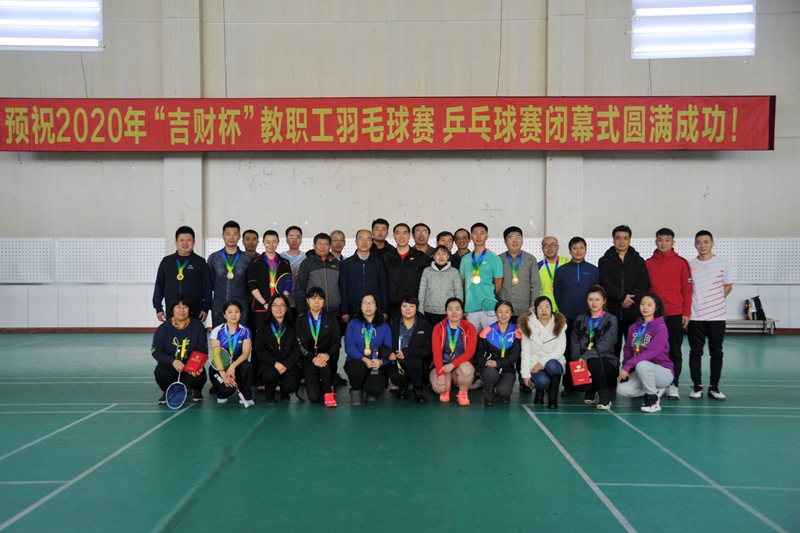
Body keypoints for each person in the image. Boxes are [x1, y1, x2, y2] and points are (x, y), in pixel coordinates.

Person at [646, 228, 693, 400]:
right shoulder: (648, 263)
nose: (663, 243)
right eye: (660, 240)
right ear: (656, 242)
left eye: (667, 240)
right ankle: (659, 384)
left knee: (674, 351)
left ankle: (673, 384)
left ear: (673, 242)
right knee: (654, 351)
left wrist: (686, 312)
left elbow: (687, 289)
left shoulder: (681, 262)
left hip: (675, 314)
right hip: (654, 316)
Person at [688, 230, 733, 400]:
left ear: (712, 243)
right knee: (695, 352)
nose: (702, 245)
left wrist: (715, 302)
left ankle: (714, 387)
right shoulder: (690, 265)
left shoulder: (723, 263)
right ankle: (697, 386)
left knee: (716, 352)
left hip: (717, 317)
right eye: (699, 242)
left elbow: (728, 286)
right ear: (695, 245)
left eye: (706, 242)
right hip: (695, 316)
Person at [553, 236, 599, 395]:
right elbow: (557, 293)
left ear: (586, 250)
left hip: (588, 318)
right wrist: (565, 309)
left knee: (587, 349)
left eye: (581, 248)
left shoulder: (593, 270)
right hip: (567, 318)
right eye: (575, 248)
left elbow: (597, 293)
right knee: (569, 351)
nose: (578, 251)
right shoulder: (562, 270)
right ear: (570, 251)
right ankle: (570, 385)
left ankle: (587, 385)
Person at [617, 292, 674, 413]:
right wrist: (625, 369)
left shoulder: (660, 327)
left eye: (649, 305)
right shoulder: (633, 327)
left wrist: (629, 365)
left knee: (642, 363)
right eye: (642, 304)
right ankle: (652, 390)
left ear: (656, 307)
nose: (645, 307)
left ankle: (653, 400)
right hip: (641, 371)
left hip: (663, 372)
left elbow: (651, 352)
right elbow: (627, 350)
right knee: (622, 389)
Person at [598, 225, 650, 358]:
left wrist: (629, 299)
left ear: (630, 240)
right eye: (618, 238)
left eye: (625, 238)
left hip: (633, 314)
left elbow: (643, 283)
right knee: (611, 350)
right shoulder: (604, 261)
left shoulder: (639, 261)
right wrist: (621, 297)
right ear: (613, 240)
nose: (621, 241)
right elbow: (605, 282)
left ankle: (630, 372)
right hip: (612, 313)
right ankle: (612, 372)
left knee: (634, 350)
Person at [151, 294, 208, 404]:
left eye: (185, 307)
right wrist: (172, 361)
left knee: (198, 377)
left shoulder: (198, 326)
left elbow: (202, 350)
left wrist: (195, 366)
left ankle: (196, 390)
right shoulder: (163, 328)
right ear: (172, 309)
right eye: (178, 307)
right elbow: (156, 351)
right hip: (171, 365)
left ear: (189, 309)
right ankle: (168, 390)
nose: (181, 310)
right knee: (162, 373)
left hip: (190, 364)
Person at [570, 285, 619, 410]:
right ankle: (591, 389)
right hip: (583, 360)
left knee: (593, 362)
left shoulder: (611, 319)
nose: (594, 303)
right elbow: (574, 342)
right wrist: (577, 362)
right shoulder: (580, 319)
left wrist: (586, 356)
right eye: (591, 299)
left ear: (604, 301)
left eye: (597, 299)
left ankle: (604, 396)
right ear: (587, 301)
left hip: (606, 360)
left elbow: (607, 344)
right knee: (577, 386)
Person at [153, 226, 211, 323]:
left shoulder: (200, 262)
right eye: (182, 240)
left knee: (194, 333)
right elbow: (159, 285)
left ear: (194, 242)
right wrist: (158, 307)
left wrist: (206, 308)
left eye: (188, 240)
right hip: (172, 311)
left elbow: (207, 286)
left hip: (195, 312)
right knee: (173, 333)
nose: (185, 243)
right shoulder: (167, 262)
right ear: (176, 242)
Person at [295, 287, 341, 407]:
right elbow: (301, 344)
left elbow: (337, 342)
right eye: (313, 298)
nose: (316, 302)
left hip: (327, 358)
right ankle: (321, 385)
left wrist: (327, 355)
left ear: (323, 301)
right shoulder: (301, 320)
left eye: (320, 299)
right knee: (314, 398)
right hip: (309, 358)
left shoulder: (330, 318)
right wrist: (312, 358)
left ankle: (328, 391)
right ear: (307, 300)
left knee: (324, 364)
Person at [344, 293, 393, 405]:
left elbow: (388, 350)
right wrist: (365, 359)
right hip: (357, 363)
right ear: (360, 307)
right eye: (365, 303)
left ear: (376, 307)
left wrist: (381, 362)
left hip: (376, 365)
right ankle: (356, 389)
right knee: (357, 366)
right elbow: (349, 347)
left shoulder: (384, 326)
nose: (368, 306)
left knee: (375, 389)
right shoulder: (353, 324)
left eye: (371, 303)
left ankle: (368, 387)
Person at [253, 294, 302, 404]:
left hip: (288, 363)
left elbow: (297, 349)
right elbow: (260, 350)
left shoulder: (294, 326)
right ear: (270, 308)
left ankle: (285, 393)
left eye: (282, 305)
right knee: (269, 376)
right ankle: (269, 395)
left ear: (287, 308)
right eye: (275, 305)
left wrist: (286, 365)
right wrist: (275, 363)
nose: (278, 308)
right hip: (269, 364)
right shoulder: (263, 326)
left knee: (290, 385)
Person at [518, 296, 566, 408]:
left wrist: (541, 363)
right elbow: (526, 352)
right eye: (540, 307)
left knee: (552, 365)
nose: (544, 310)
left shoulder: (559, 324)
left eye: (547, 307)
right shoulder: (527, 325)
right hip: (534, 363)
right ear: (535, 309)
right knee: (542, 381)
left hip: (553, 361)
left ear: (551, 309)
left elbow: (560, 350)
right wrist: (525, 375)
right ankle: (539, 394)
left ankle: (553, 399)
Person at [430, 298, 478, 405]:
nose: (454, 312)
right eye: (450, 309)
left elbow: (470, 352)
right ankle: (446, 388)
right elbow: (436, 353)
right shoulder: (438, 327)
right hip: (442, 365)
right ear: (446, 311)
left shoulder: (470, 327)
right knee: (439, 388)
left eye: (457, 309)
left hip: (460, 364)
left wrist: (453, 364)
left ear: (462, 311)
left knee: (467, 370)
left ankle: (463, 393)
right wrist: (440, 374)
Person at [386, 295, 432, 404]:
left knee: (414, 361)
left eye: (411, 306)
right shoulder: (392, 323)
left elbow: (428, 350)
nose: (408, 309)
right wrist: (388, 353)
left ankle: (417, 388)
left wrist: (409, 351)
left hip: (417, 362)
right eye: (404, 306)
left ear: (416, 308)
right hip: (397, 361)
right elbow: (383, 344)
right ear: (400, 307)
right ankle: (403, 386)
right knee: (395, 373)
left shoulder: (425, 325)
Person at [475, 300, 521, 406]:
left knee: (503, 391)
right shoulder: (487, 331)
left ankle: (504, 393)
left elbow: (514, 356)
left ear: (512, 313)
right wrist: (485, 363)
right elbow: (478, 355)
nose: (503, 315)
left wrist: (498, 363)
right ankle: (488, 397)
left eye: (507, 312)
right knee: (490, 374)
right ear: (496, 313)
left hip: (508, 369)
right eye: (500, 312)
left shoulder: (516, 332)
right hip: (490, 367)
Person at [208, 300, 254, 406]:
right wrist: (224, 375)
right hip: (219, 368)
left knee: (248, 367)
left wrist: (233, 366)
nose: (233, 315)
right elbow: (216, 355)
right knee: (227, 390)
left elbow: (245, 353)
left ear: (241, 314)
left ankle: (246, 396)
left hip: (236, 365)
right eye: (230, 312)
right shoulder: (217, 331)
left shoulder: (245, 331)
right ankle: (221, 392)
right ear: (224, 315)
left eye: (236, 312)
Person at [459, 222, 504, 331]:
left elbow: (498, 285)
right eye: (475, 233)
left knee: (490, 338)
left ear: (487, 237)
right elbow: (462, 283)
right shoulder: (465, 259)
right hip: (470, 307)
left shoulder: (494, 258)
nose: (478, 236)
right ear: (471, 237)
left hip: (489, 308)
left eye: (482, 233)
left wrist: (487, 297)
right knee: (471, 338)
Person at [207, 221, 252, 328]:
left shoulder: (248, 259)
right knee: (219, 337)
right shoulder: (214, 258)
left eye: (235, 234)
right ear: (223, 236)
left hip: (241, 308)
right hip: (219, 308)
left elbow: (250, 285)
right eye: (228, 234)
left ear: (239, 236)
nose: (231, 237)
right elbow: (209, 283)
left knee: (241, 336)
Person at [339, 229, 389, 324]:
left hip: (374, 311)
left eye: (368, 239)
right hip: (353, 310)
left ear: (372, 242)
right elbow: (343, 289)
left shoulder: (378, 263)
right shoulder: (347, 264)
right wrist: (344, 310)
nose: (364, 242)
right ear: (356, 241)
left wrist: (384, 310)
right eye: (361, 239)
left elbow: (384, 288)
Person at [247, 230, 292, 332]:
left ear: (278, 242)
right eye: (268, 242)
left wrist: (280, 304)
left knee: (279, 336)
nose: (271, 245)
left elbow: (288, 285)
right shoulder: (255, 262)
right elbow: (252, 286)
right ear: (263, 243)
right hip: (261, 307)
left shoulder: (284, 263)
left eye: (274, 242)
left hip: (279, 310)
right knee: (260, 336)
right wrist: (265, 304)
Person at [384, 223, 429, 318]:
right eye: (398, 233)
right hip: (392, 306)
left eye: (404, 233)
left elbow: (427, 282)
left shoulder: (420, 256)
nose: (401, 236)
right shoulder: (387, 257)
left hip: (413, 305)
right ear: (394, 236)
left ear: (409, 235)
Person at [497, 225, 540, 322]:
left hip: (524, 310)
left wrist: (533, 306)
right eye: (511, 238)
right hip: (503, 310)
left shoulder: (530, 259)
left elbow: (535, 284)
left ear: (522, 240)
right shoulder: (498, 259)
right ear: (505, 241)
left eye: (518, 237)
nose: (515, 241)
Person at [296, 233, 341, 316]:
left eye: (326, 244)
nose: (323, 247)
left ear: (330, 246)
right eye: (319, 244)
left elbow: (341, 287)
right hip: (313, 309)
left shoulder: (336, 263)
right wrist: (301, 310)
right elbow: (300, 287)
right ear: (314, 246)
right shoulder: (307, 263)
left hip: (335, 310)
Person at [418, 244, 463, 326]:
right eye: (438, 254)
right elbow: (422, 293)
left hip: (448, 313)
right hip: (429, 313)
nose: (441, 256)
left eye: (444, 254)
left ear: (448, 256)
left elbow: (458, 292)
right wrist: (420, 312)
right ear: (433, 256)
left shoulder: (454, 272)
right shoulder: (427, 271)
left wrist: (458, 311)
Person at [538, 236, 570, 313]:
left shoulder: (568, 262)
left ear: (558, 247)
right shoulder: (537, 267)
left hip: (566, 308)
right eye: (546, 246)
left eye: (552, 245)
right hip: (546, 310)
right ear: (542, 249)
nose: (549, 248)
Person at [281, 225, 305, 319]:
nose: (294, 240)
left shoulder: (307, 258)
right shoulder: (280, 257)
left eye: (298, 237)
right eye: (291, 237)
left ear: (301, 240)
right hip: (284, 302)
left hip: (302, 302)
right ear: (286, 240)